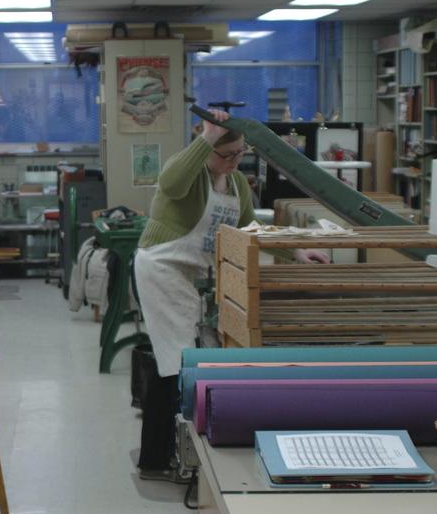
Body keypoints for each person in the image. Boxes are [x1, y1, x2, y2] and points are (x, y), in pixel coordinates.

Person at [132, 109, 329, 481]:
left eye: (240, 153)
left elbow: (249, 228)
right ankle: (158, 459)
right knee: (176, 362)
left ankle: (176, 451)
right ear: (206, 149)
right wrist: (207, 136)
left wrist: (297, 251)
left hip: (195, 274)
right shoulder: (189, 173)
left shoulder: (236, 183)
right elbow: (170, 184)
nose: (234, 161)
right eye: (226, 155)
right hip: (162, 269)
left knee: (188, 358)